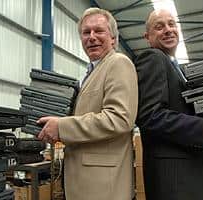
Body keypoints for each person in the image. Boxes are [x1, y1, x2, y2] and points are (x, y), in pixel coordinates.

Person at [134, 9, 203, 200]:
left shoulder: (177, 68)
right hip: (174, 181)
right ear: (147, 37)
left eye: (172, 24)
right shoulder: (153, 58)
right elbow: (150, 115)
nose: (168, 30)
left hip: (192, 175)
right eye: (159, 27)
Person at [37, 7, 138, 200]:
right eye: (86, 32)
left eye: (99, 31)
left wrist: (62, 127)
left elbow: (119, 119)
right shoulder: (92, 71)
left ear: (113, 39)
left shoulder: (118, 63)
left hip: (102, 185)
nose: (91, 37)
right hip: (86, 180)